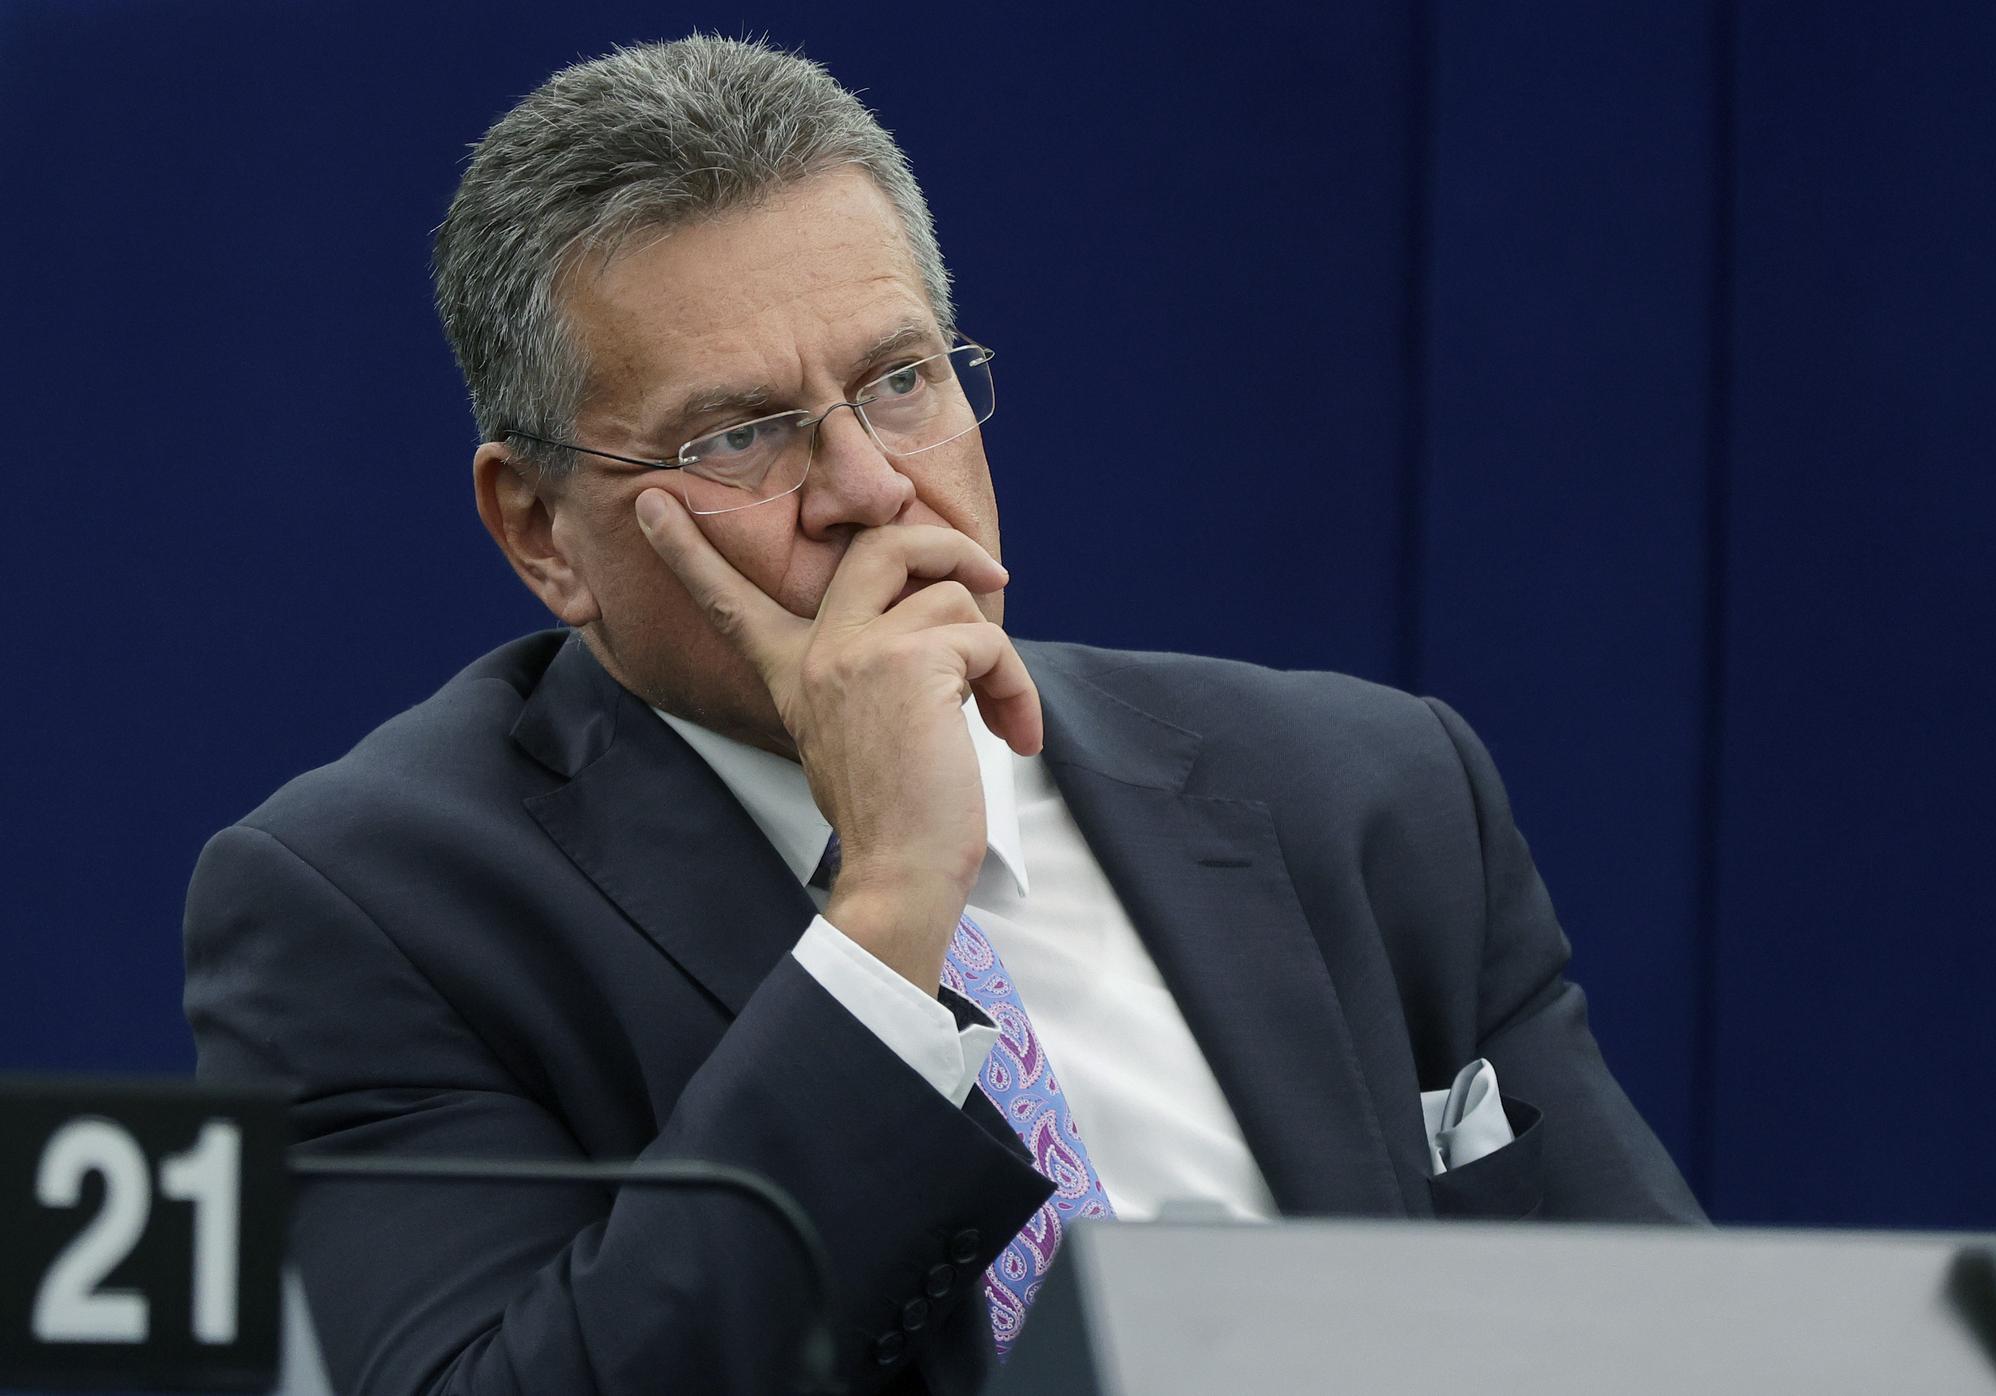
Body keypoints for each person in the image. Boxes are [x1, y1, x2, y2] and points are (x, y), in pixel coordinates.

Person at [183, 34, 1702, 1396]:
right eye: (741, 435)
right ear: (543, 532)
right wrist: (894, 907)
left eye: (901, 380)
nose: (868, 487)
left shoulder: (1367, 794)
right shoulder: (375, 910)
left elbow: (1681, 1348)